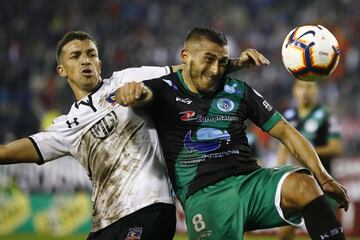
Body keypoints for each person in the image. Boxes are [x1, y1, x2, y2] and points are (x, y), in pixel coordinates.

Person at [0, 30, 269, 239]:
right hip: (104, 222)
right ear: (62, 70)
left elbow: (190, 72)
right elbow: (8, 152)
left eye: (91, 53)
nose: (86, 60)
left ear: (99, 61)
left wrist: (235, 63)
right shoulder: (66, 125)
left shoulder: (127, 79)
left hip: (150, 208)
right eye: (76, 55)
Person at [115, 26, 350, 240]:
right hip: (204, 195)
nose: (216, 70)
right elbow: (142, 95)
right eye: (209, 60)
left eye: (222, 61)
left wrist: (325, 178)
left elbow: (286, 132)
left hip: (251, 182)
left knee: (306, 185)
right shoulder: (164, 89)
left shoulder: (238, 90)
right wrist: (131, 94)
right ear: (185, 57)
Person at [276, 80, 343, 240]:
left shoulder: (326, 115)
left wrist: (305, 152)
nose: (304, 92)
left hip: (322, 184)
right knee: (284, 234)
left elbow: (336, 148)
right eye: (300, 87)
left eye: (309, 87)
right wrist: (278, 171)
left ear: (316, 91)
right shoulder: (289, 116)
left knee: (326, 234)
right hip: (294, 183)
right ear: (294, 91)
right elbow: (283, 148)